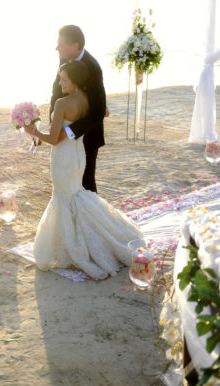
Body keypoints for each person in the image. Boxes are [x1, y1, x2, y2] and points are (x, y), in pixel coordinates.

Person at [25, 61, 142, 280]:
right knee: (76, 195)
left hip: (62, 159)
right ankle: (102, 237)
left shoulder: (62, 103)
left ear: (75, 81)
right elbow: (96, 117)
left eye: (64, 80)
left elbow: (53, 139)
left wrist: (34, 131)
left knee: (63, 198)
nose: (60, 83)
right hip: (79, 156)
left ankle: (75, 248)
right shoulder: (89, 101)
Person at [51, 25, 106, 193]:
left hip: (87, 136)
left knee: (85, 185)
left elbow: (98, 111)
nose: (56, 48)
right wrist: (53, 123)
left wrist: (68, 131)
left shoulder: (93, 68)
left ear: (74, 45)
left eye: (60, 44)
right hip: (64, 136)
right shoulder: (65, 58)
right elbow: (56, 91)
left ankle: (92, 220)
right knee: (66, 183)